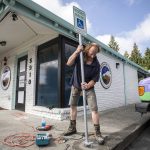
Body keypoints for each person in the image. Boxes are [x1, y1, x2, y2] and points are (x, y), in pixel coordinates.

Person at [63, 43, 104, 144]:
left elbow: (94, 79)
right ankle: (72, 128)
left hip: (89, 88)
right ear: (88, 50)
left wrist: (88, 85)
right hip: (76, 85)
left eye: (95, 53)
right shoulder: (80, 56)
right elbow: (68, 63)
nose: (93, 55)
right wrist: (77, 51)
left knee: (94, 109)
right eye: (91, 53)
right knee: (73, 106)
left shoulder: (96, 64)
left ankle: (97, 133)